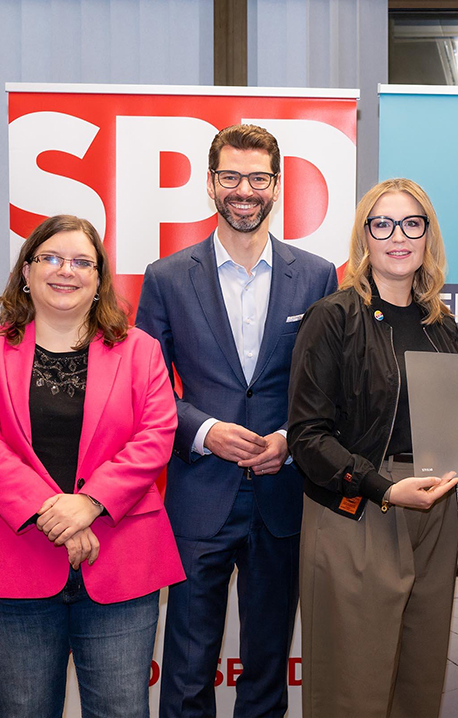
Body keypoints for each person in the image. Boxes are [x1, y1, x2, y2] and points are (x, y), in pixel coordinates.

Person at [136, 124, 338, 718]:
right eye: (231, 177)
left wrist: (290, 440)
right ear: (210, 183)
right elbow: (145, 390)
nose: (243, 190)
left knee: (268, 671)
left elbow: (327, 389)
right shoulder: (166, 278)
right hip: (199, 496)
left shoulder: (319, 276)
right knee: (186, 671)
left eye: (257, 178)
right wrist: (205, 431)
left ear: (276, 185)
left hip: (283, 496)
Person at [0, 214, 183, 717]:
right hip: (12, 561)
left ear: (99, 280)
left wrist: (92, 502)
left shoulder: (141, 351)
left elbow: (156, 436)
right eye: (50, 258)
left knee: (122, 711)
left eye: (81, 262)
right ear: (26, 272)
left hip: (119, 560)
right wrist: (56, 515)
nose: (65, 270)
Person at [287, 177, 458, 717]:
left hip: (434, 508)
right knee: (352, 692)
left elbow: (455, 426)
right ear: (364, 236)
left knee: (419, 684)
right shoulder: (333, 316)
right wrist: (382, 488)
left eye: (412, 224)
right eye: (382, 224)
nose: (398, 237)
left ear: (428, 235)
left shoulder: (441, 325)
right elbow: (307, 436)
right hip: (358, 508)